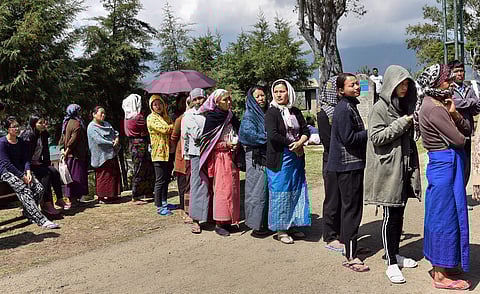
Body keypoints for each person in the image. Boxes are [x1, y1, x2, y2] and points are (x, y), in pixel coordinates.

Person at [364, 65, 421, 283]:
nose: (404, 88)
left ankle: (395, 253)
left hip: (403, 168)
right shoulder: (380, 108)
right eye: (401, 84)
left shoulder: (403, 105)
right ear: (391, 84)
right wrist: (403, 122)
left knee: (399, 215)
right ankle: (390, 263)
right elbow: (377, 137)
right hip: (388, 171)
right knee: (390, 216)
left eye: (407, 84)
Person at [417, 64, 471, 290]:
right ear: (437, 82)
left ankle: (444, 265)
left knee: (447, 214)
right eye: (447, 78)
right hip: (444, 166)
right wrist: (453, 115)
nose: (450, 82)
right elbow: (460, 139)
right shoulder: (433, 108)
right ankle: (440, 275)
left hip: (446, 165)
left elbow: (466, 129)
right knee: (445, 217)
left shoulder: (440, 104)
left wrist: (455, 112)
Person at [326, 73, 369, 272]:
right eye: (352, 85)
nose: (357, 87)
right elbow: (349, 138)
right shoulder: (344, 109)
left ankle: (350, 245)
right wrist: (369, 133)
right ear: (341, 90)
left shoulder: (350, 105)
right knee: (351, 209)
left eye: (357, 84)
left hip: (350, 165)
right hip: (348, 166)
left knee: (349, 208)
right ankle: (351, 255)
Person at [265, 79, 311, 244]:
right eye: (276, 91)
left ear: (288, 92)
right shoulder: (272, 113)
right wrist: (293, 144)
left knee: (295, 190)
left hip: (296, 157)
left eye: (282, 91)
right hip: (280, 158)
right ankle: (281, 229)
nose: (279, 95)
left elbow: (306, 130)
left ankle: (293, 224)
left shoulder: (295, 111)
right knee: (280, 192)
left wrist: (300, 142)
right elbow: (273, 135)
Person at [0, 116, 59, 229]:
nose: (17, 129)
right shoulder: (2, 143)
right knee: (24, 190)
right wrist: (21, 176)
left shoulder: (21, 142)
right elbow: (6, 163)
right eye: (14, 127)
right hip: (6, 172)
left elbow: (26, 159)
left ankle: (29, 213)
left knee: (39, 189)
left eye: (18, 126)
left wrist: (27, 172)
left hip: (22, 171)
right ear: (8, 129)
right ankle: (41, 220)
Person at [198, 89, 242, 237]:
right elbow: (206, 143)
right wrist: (225, 145)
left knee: (233, 189)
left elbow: (238, 130)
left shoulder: (230, 115)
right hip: (220, 158)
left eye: (229, 99)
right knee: (223, 190)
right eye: (225, 100)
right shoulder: (212, 117)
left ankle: (229, 220)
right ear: (216, 102)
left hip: (231, 157)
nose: (229, 102)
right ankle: (219, 222)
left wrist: (236, 144)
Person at [316, 76, 343, 252]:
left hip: (344, 160)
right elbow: (327, 140)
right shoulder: (324, 113)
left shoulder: (344, 108)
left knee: (343, 199)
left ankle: (342, 233)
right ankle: (330, 235)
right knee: (332, 199)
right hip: (332, 159)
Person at [239, 86, 269, 236]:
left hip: (265, 156)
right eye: (257, 96)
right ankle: (256, 225)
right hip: (255, 158)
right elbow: (247, 136)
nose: (261, 99)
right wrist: (269, 137)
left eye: (263, 95)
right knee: (256, 191)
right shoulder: (249, 115)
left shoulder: (265, 113)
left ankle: (265, 222)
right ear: (251, 99)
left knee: (265, 190)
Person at [21, 114, 65, 216]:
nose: (43, 125)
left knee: (54, 171)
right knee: (45, 174)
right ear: (34, 124)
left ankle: (59, 199)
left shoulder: (44, 134)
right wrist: (29, 166)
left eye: (43, 122)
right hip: (27, 165)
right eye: (40, 123)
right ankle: (47, 204)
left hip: (37, 163)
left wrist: (47, 164)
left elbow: (46, 152)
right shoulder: (29, 135)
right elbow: (24, 155)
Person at [448, 60, 480, 191]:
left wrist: (467, 103)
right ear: (451, 73)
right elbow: (455, 104)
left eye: (462, 71)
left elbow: (477, 108)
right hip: (453, 134)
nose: (460, 74)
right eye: (456, 71)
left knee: (466, 167)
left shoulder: (469, 88)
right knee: (455, 166)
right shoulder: (449, 89)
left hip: (467, 133)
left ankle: (462, 196)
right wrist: (470, 102)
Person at [183, 88, 209, 233]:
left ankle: (210, 216)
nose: (199, 101)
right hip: (196, 154)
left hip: (210, 152)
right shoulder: (189, 115)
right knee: (198, 184)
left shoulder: (209, 113)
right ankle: (196, 219)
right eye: (196, 99)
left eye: (201, 98)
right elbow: (196, 134)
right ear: (191, 101)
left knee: (210, 184)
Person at [122, 94, 154, 204]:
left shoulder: (127, 116)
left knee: (139, 168)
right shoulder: (138, 117)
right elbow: (146, 129)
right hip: (140, 143)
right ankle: (136, 195)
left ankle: (142, 192)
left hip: (132, 143)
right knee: (142, 168)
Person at [147, 95, 175, 216]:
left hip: (168, 152)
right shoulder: (151, 118)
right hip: (158, 152)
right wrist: (172, 126)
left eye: (160, 104)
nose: (158, 106)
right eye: (155, 104)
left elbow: (170, 126)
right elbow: (165, 129)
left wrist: (171, 126)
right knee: (159, 180)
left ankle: (164, 202)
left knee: (166, 179)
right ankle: (158, 206)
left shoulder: (165, 117)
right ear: (151, 106)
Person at [87, 106, 122, 203]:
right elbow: (98, 140)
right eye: (101, 113)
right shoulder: (91, 127)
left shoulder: (107, 124)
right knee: (103, 176)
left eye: (104, 113)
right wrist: (112, 142)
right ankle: (103, 197)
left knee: (112, 175)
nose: (103, 115)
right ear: (94, 114)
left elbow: (115, 133)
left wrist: (117, 139)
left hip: (111, 153)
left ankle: (113, 195)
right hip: (100, 156)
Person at [60, 104, 89, 209]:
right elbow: (73, 140)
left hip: (69, 155)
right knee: (77, 177)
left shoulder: (65, 123)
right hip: (76, 154)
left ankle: (73, 199)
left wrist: (63, 151)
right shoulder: (77, 124)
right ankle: (75, 199)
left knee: (70, 177)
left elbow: (62, 138)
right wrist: (67, 150)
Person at [171, 97, 191, 217]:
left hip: (195, 157)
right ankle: (184, 209)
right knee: (183, 184)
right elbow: (174, 137)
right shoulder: (181, 119)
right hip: (182, 157)